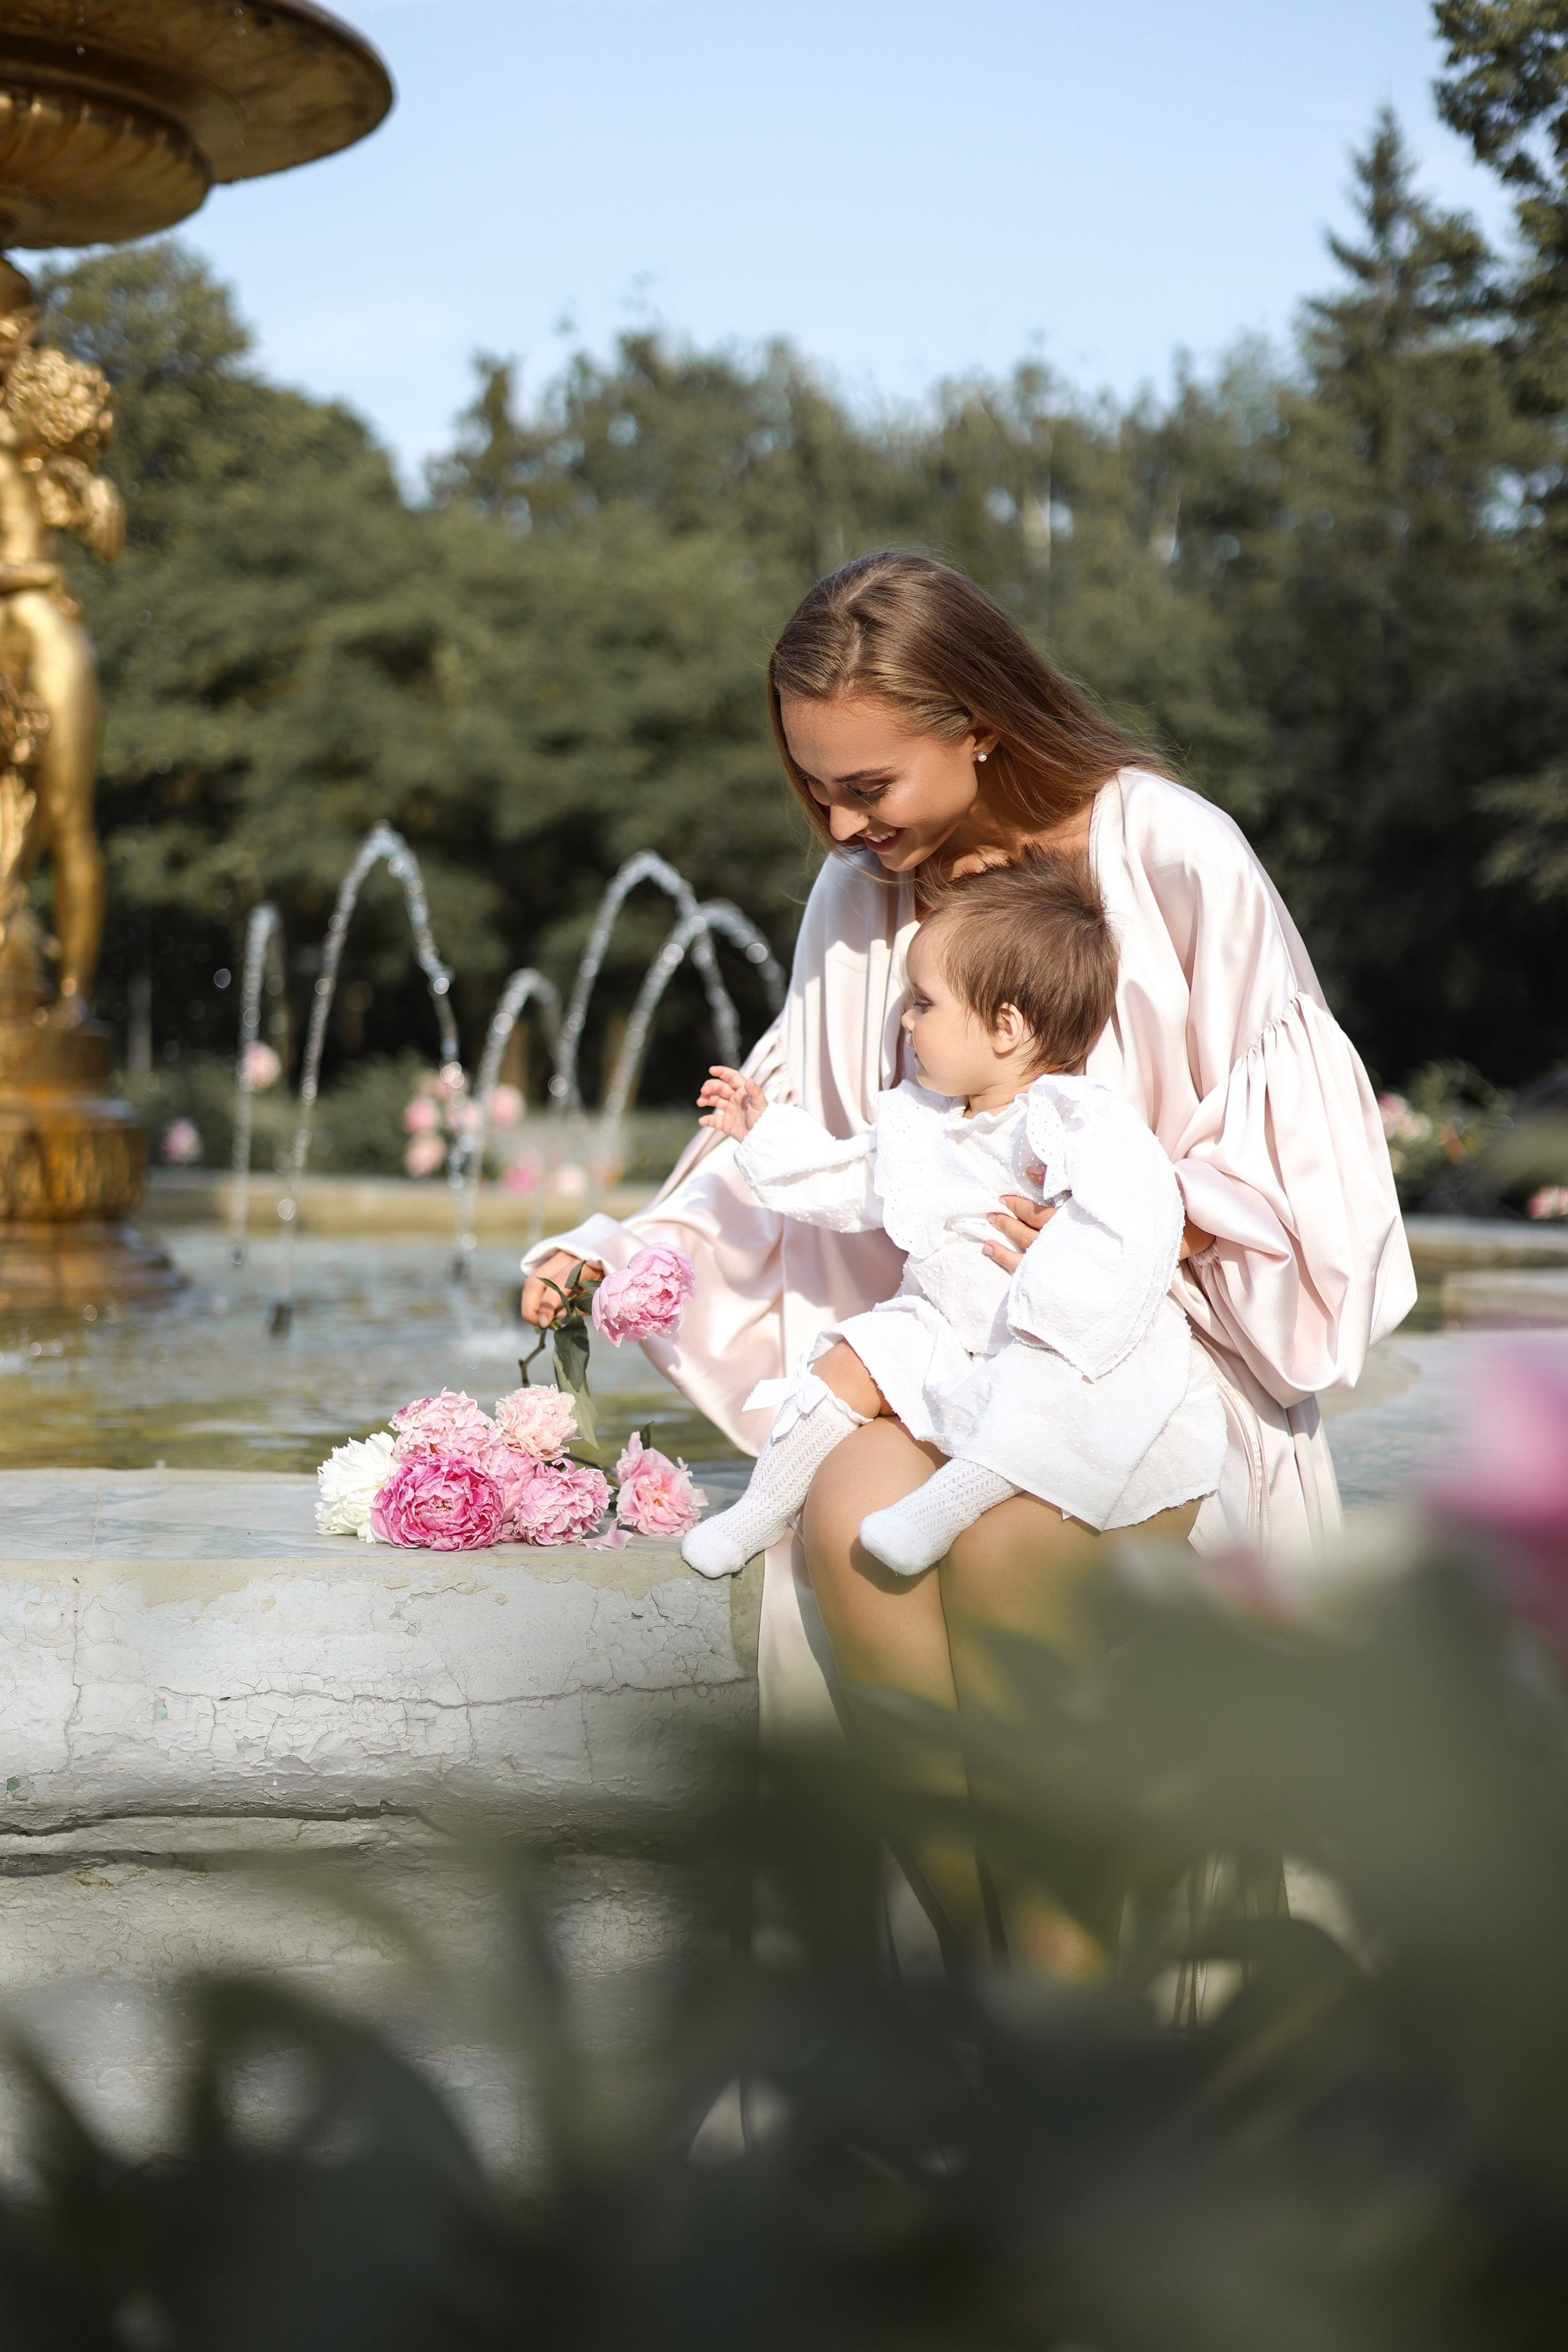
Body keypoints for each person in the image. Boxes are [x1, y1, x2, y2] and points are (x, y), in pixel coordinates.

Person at [521, 553, 1414, 1773]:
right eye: (815, 789)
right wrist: (625, 1254)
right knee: (846, 1525)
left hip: (1154, 1341)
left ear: (981, 725)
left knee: (1006, 1553)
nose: (842, 827)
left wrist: (1137, 1229)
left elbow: (1301, 1163)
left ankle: (1061, 1892)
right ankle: (950, 1896)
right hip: (941, 1343)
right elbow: (814, 1143)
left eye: (868, 787)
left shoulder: (1171, 854)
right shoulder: (858, 894)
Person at [681, 854, 1225, 1580]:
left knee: (1038, 1407)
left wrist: (1064, 1277)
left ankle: (937, 1513)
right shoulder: (926, 1122)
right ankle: (760, 1509)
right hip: (944, 1322)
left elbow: (1137, 1216)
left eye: (923, 1004)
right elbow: (850, 1179)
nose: (905, 1020)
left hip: (1050, 1332)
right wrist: (763, 1132)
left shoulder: (1076, 1119)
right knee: (852, 1359)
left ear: (1005, 1027)